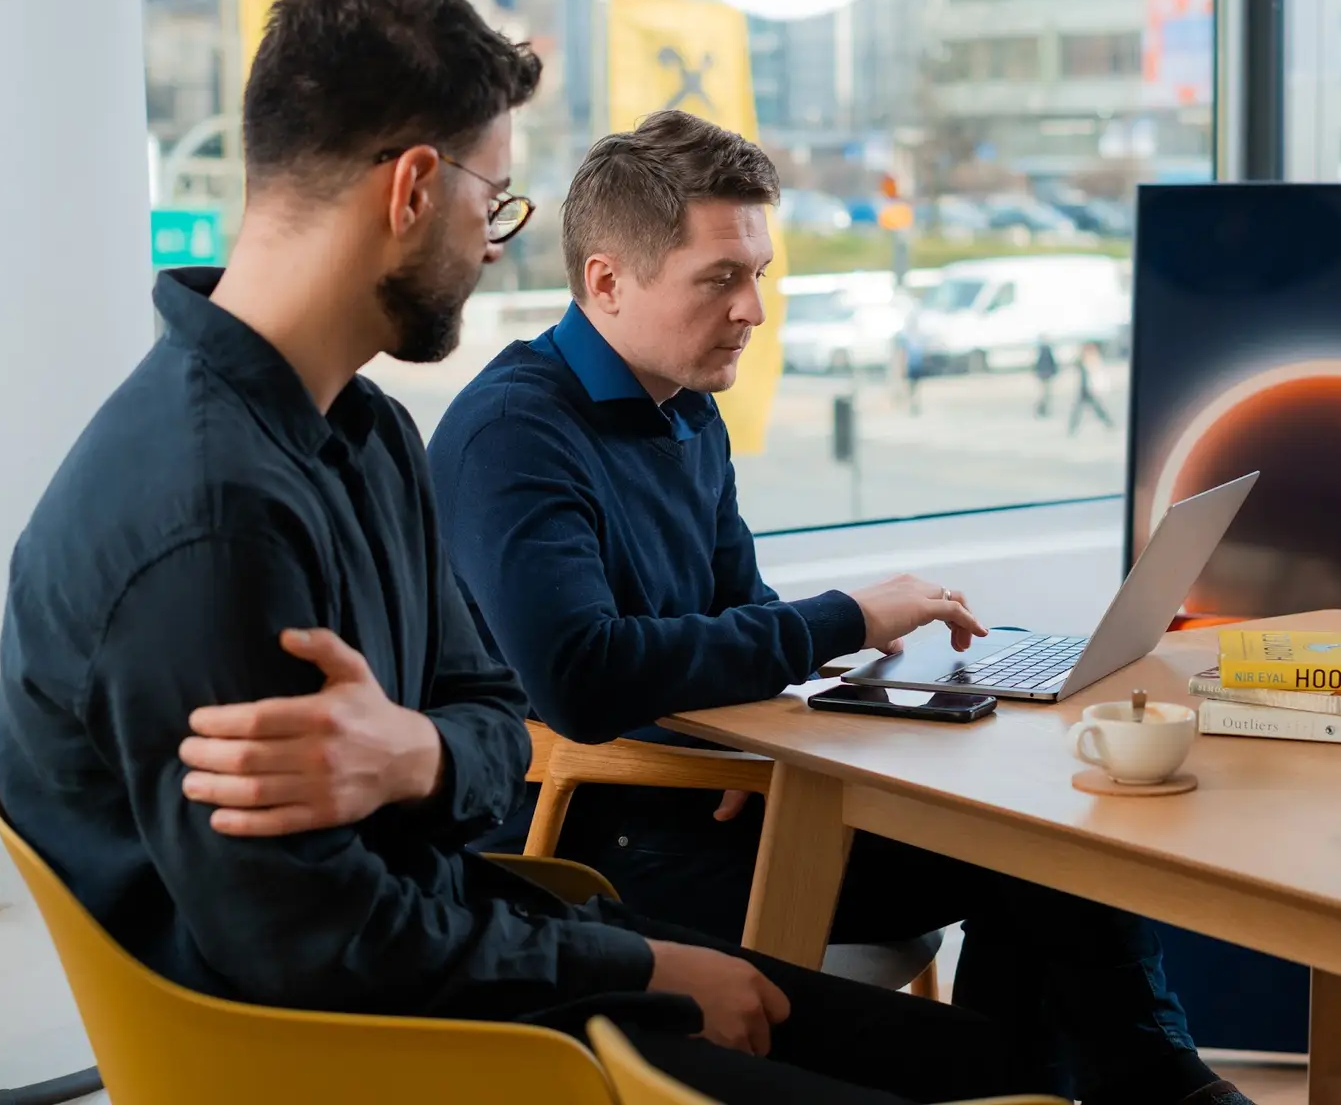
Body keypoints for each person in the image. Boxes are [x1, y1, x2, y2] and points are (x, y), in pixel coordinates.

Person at [0, 0, 1063, 1105]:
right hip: (376, 1047)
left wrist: (424, 753)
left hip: (461, 953)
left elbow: (497, 715)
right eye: (491, 201)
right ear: (413, 185)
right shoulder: (210, 522)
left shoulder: (364, 434)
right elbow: (310, 945)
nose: (496, 242)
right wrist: (641, 961)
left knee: (1000, 1066)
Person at [427, 109, 1253, 1105]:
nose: (754, 310)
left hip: (706, 788)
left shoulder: (685, 410)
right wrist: (848, 620)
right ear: (605, 281)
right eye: (721, 279)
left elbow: (735, 616)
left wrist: (774, 723)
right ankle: (1124, 1085)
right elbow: (583, 674)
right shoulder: (515, 436)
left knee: (1043, 836)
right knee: (1024, 863)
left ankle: (1102, 1081)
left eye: (759, 274)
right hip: (604, 831)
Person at [1068, 340, 1114, 435]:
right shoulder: (1083, 359)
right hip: (1084, 389)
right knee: (1088, 408)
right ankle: (1108, 423)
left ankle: (1108, 422)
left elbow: (1096, 374)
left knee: (1094, 408)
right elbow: (1075, 364)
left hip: (1089, 388)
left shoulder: (1093, 359)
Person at [1033, 337, 1060, 417]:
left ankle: (1042, 409)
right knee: (1046, 393)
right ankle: (1042, 409)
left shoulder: (1040, 350)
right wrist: (1054, 371)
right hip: (1046, 374)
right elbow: (1051, 362)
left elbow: (1039, 363)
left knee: (1044, 393)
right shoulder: (1047, 350)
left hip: (1042, 374)